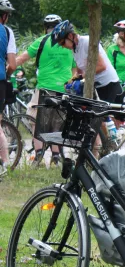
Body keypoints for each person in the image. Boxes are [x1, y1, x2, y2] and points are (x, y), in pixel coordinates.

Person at [16, 14, 78, 166]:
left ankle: (39, 155)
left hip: (45, 88)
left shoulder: (41, 41)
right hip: (64, 88)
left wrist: (8, 70)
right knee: (57, 122)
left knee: (34, 118)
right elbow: (76, 69)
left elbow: (21, 59)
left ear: (45, 28)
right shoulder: (70, 43)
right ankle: (56, 157)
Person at [51, 20, 121, 103]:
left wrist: (82, 76)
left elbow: (102, 66)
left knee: (111, 115)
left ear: (70, 36)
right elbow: (80, 71)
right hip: (96, 86)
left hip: (109, 85)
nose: (63, 46)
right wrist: (72, 80)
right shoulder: (74, 49)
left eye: (62, 43)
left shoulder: (87, 42)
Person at [0, 0, 17, 171]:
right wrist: (6, 75)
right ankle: (5, 164)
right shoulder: (7, 32)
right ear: (3, 16)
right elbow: (12, 64)